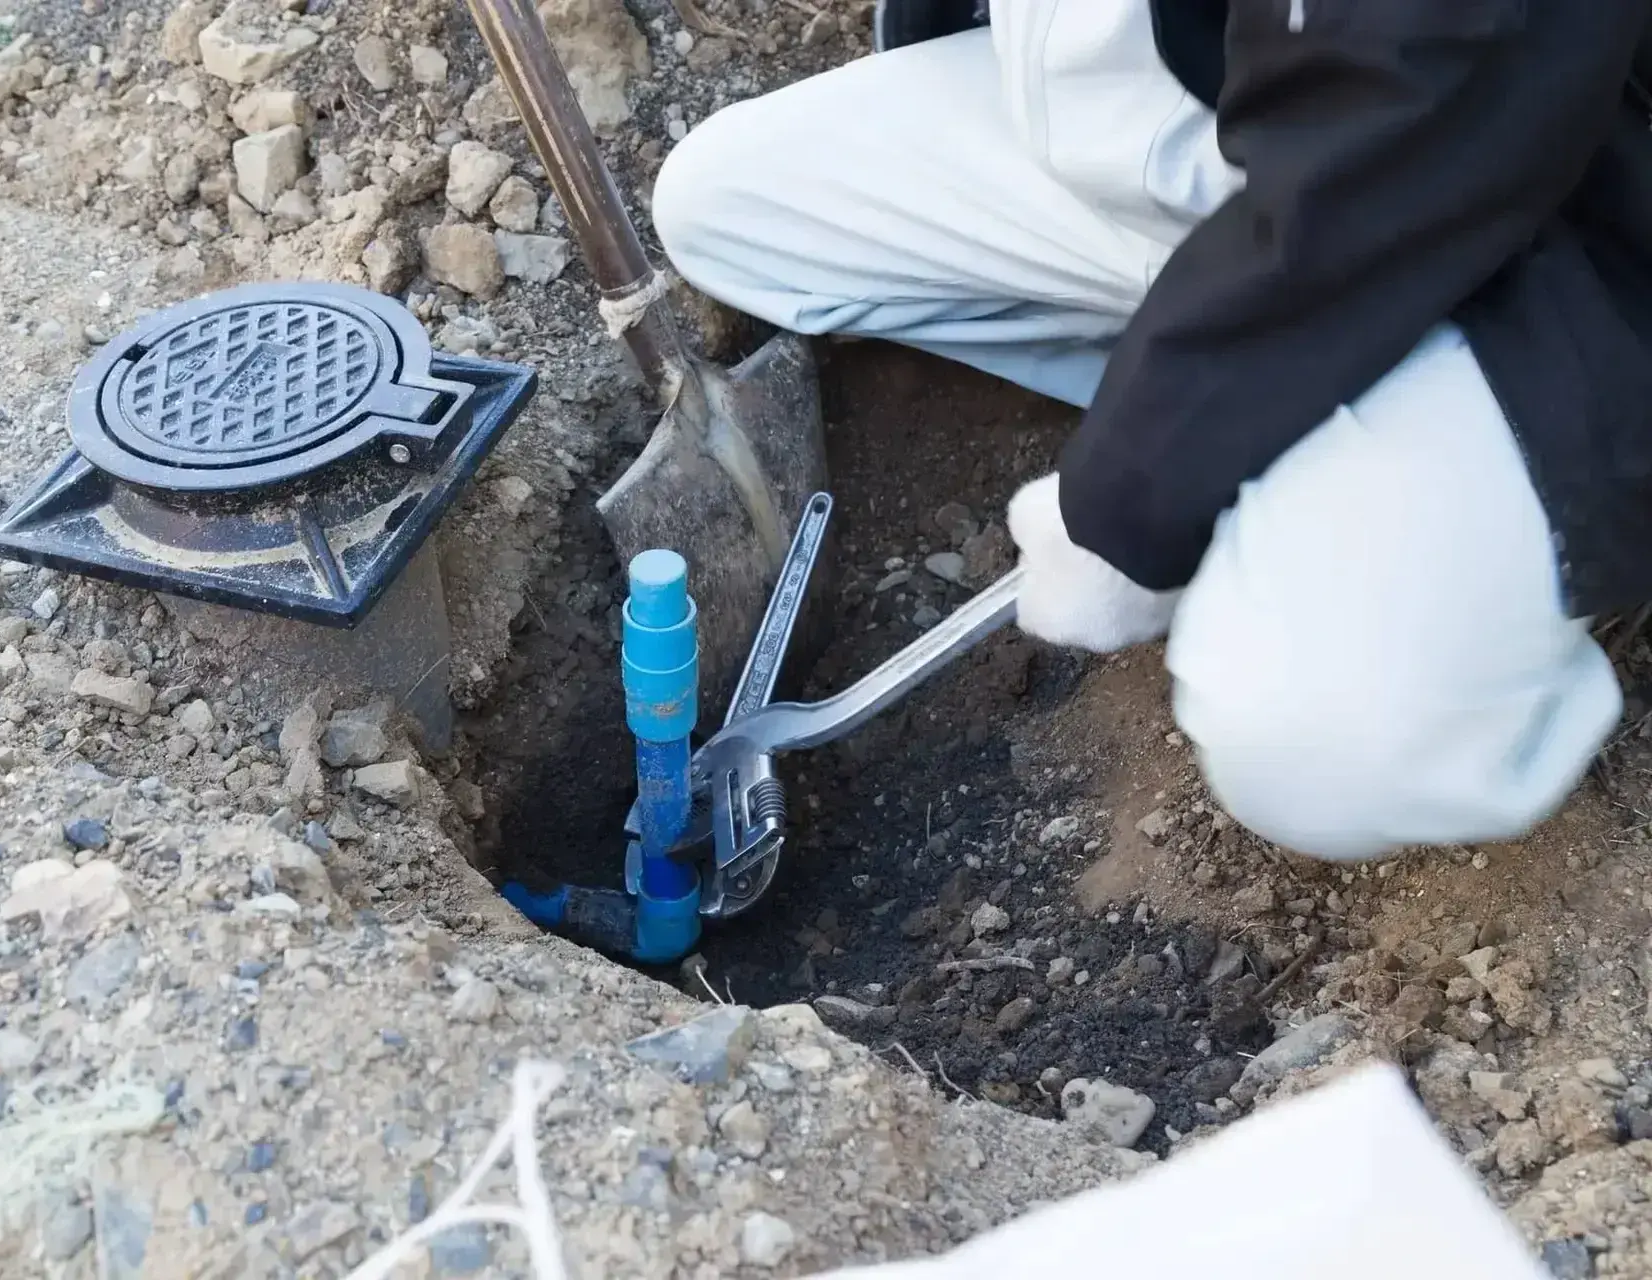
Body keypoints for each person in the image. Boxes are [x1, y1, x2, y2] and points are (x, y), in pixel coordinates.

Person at [649, 0, 1652, 862]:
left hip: (1537, 228)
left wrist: (1142, 489)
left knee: (1315, 737)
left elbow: (1410, 126)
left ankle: (1461, 568)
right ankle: (1286, 408)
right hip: (1220, 116)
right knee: (726, 208)